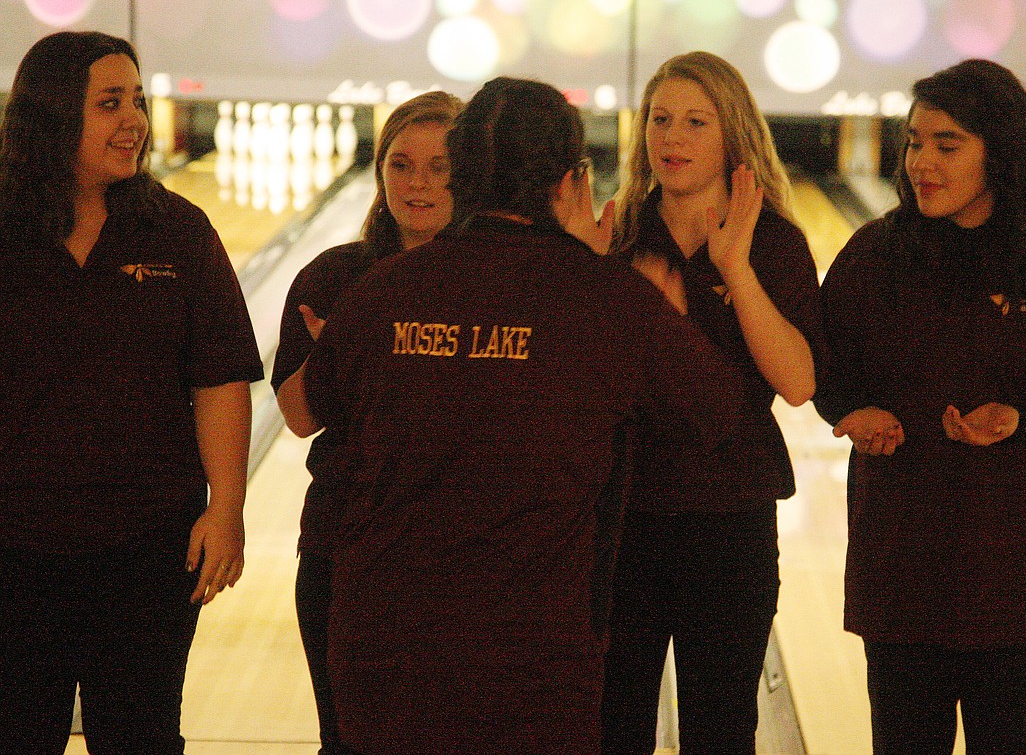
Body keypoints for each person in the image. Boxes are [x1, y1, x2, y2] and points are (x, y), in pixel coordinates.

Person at [278, 76, 744, 754]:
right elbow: (717, 412)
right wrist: (644, 302)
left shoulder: (379, 290)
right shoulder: (610, 299)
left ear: (461, 175)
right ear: (571, 181)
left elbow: (304, 407)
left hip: (383, 649)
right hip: (531, 659)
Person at [814, 59, 1026, 754]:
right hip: (900, 567)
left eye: (947, 144)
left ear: (1001, 148)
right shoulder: (874, 254)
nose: (922, 162)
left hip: (1018, 575)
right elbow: (826, 374)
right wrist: (851, 412)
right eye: (913, 142)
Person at [0, 32, 262, 753]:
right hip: (15, 548)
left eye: (139, 102)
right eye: (109, 104)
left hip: (148, 547)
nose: (136, 122)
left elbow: (219, 378)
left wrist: (228, 508)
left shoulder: (178, 231)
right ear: (54, 117)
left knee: (142, 738)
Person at [600, 50, 823, 754]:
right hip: (625, 517)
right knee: (612, 727)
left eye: (696, 121)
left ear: (732, 134)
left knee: (722, 729)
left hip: (728, 522)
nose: (672, 137)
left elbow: (798, 383)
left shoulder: (776, 244)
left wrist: (735, 270)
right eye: (660, 120)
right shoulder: (618, 237)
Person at [271, 90, 462, 755]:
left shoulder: (497, 285)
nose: (418, 183)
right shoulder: (333, 275)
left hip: (462, 559)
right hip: (344, 548)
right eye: (401, 164)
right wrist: (344, 350)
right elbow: (296, 417)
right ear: (380, 173)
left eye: (441, 167)